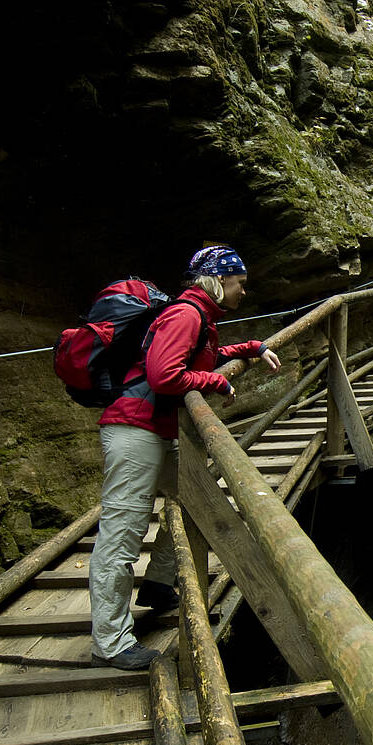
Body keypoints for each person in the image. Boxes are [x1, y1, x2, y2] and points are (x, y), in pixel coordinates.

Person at [88, 245, 282, 670]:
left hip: (157, 431)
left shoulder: (199, 317)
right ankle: (110, 640)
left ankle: (158, 585)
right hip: (135, 430)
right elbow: (164, 374)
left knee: (199, 502)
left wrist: (251, 347)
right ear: (219, 280)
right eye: (240, 283)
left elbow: (204, 356)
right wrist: (214, 383)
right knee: (123, 533)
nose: (244, 292)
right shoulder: (186, 314)